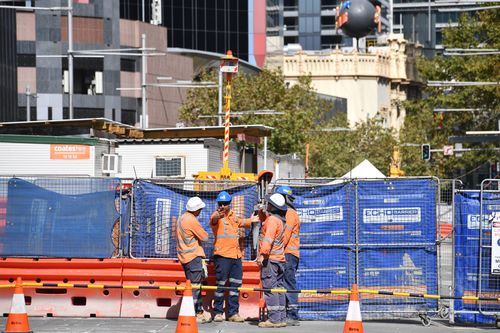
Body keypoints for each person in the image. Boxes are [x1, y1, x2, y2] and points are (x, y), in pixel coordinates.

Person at [210, 191, 259, 323]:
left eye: (225, 204)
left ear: (229, 204)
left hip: (236, 256)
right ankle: (218, 312)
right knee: (220, 285)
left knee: (235, 285)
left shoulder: (233, 216)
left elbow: (242, 222)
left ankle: (233, 313)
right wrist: (217, 214)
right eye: (220, 203)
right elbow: (213, 219)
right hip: (222, 256)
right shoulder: (217, 217)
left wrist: (252, 220)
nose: (222, 206)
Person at [256, 193, 288, 328]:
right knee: (279, 289)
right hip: (280, 259)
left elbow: (268, 238)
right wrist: (261, 212)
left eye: (269, 203)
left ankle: (273, 320)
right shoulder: (279, 220)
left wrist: (262, 255)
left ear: (273, 207)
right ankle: (280, 318)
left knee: (270, 288)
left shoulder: (272, 221)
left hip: (271, 260)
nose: (267, 205)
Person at [176, 196, 210, 324]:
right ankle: (194, 313)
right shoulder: (191, 220)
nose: (200, 211)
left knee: (194, 285)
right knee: (195, 287)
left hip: (184, 258)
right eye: (200, 209)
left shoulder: (182, 218)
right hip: (193, 257)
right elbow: (205, 237)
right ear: (196, 209)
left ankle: (199, 312)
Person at [276, 186, 301, 326]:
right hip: (288, 253)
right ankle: (287, 313)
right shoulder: (289, 212)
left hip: (288, 254)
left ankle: (293, 315)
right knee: (285, 283)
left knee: (289, 283)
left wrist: (276, 248)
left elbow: (286, 234)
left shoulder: (289, 213)